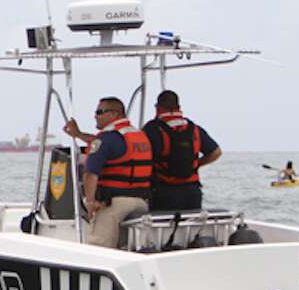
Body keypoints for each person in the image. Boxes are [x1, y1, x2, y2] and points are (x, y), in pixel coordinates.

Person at [64, 97, 153, 249]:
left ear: (114, 114)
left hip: (114, 204)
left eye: (99, 112)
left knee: (100, 248)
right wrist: (78, 134)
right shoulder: (138, 135)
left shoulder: (106, 138)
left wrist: (90, 202)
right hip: (141, 203)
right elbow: (106, 145)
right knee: (128, 249)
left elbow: (90, 174)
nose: (95, 116)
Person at [139, 90, 222, 211]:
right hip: (192, 192)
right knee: (191, 228)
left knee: (163, 228)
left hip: (164, 191)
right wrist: (197, 164)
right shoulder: (194, 129)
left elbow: (143, 158)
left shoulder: (152, 129)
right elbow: (216, 152)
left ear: (158, 107)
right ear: (178, 107)